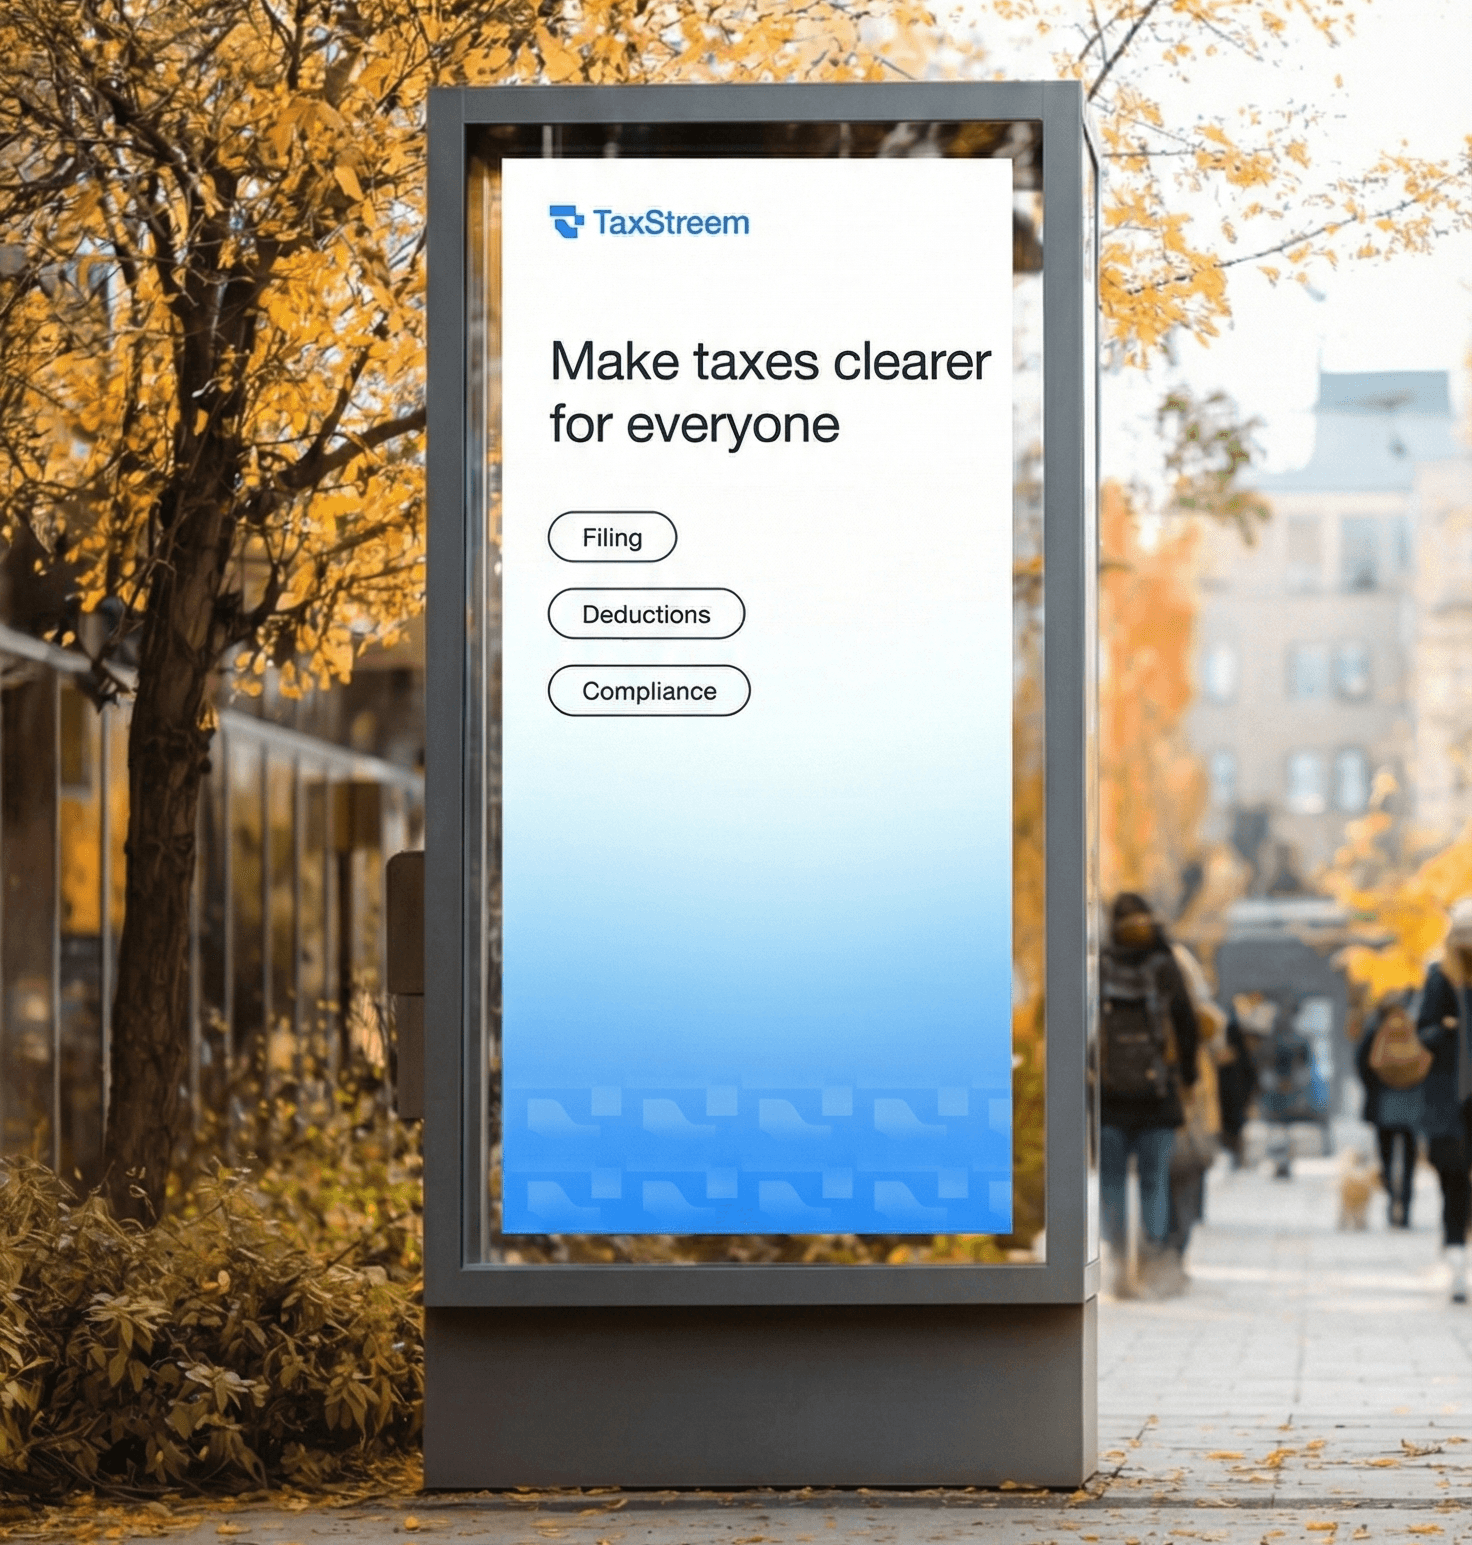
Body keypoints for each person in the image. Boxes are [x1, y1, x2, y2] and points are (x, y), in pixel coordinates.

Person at [1099, 893, 1200, 1298]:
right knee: (1154, 1181)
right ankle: (1151, 1262)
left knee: (1111, 1180)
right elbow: (1188, 1026)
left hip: (1107, 1096)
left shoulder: (1100, 966)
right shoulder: (1165, 965)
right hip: (1158, 1094)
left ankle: (1118, 1262)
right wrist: (1188, 1080)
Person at [1415, 898, 1472, 1304]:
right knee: (1453, 1177)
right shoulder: (1439, 977)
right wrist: (1447, 1031)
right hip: (1450, 1098)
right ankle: (1456, 1260)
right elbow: (1424, 1032)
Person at [1166, 942, 1226, 1260]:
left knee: (1159, 1180)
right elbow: (1217, 1032)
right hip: (1193, 1110)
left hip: (1159, 1105)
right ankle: (1176, 1249)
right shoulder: (1200, 1014)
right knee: (1186, 1180)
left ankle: (1161, 1250)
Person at [1356, 991, 1424, 1229]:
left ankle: (1389, 1194)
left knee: (1385, 1155)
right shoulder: (1413, 1027)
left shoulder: (1376, 1029)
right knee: (1408, 1158)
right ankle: (1404, 1207)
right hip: (1412, 1103)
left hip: (1383, 1103)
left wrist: (1373, 1088)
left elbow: (1361, 1063)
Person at [1217, 997, 1262, 1168]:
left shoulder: (1229, 1047)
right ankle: (1235, 1157)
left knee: (1231, 1128)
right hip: (1235, 1097)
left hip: (1230, 1096)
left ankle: (1234, 1157)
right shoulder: (1241, 1050)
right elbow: (1250, 1074)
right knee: (1234, 1127)